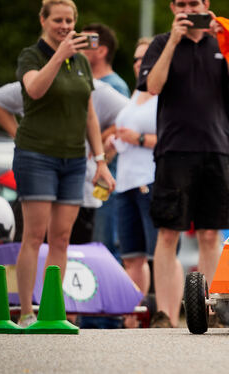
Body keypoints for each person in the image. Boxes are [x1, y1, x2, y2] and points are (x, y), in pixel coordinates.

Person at [137, 0, 229, 327]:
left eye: (194, 3)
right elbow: (152, 86)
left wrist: (228, 43)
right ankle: (166, 314)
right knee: (168, 232)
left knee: (210, 233)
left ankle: (213, 309)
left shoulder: (222, 39)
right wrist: (173, 41)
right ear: (173, 7)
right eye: (182, 4)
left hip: (216, 148)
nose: (189, 9)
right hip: (174, 149)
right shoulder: (161, 42)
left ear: (206, 5)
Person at [13, 0, 115, 328]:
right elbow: (35, 89)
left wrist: (100, 161)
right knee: (35, 235)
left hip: (73, 160)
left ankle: (51, 310)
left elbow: (90, 112)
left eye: (70, 20)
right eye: (58, 19)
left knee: (61, 238)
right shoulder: (31, 56)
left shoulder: (82, 62)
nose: (65, 26)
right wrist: (59, 54)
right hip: (37, 156)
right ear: (43, 21)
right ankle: (27, 311)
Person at [0, 78, 129, 244]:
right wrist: (23, 140)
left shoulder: (95, 87)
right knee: (33, 245)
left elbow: (126, 115)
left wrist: (100, 150)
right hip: (39, 188)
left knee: (69, 252)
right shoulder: (36, 80)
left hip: (80, 192)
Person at [104, 38, 185, 328]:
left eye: (145, 58)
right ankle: (133, 317)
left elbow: (179, 138)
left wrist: (137, 139)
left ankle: (170, 317)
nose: (139, 63)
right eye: (136, 59)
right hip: (126, 181)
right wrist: (110, 145)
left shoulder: (167, 94)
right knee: (132, 258)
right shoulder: (136, 94)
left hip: (154, 179)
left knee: (163, 252)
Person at [80, 22, 129, 262]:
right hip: (94, 177)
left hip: (105, 178)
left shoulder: (114, 86)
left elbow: (125, 123)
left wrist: (94, 142)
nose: (80, 46)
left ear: (102, 50)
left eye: (87, 42)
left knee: (102, 241)